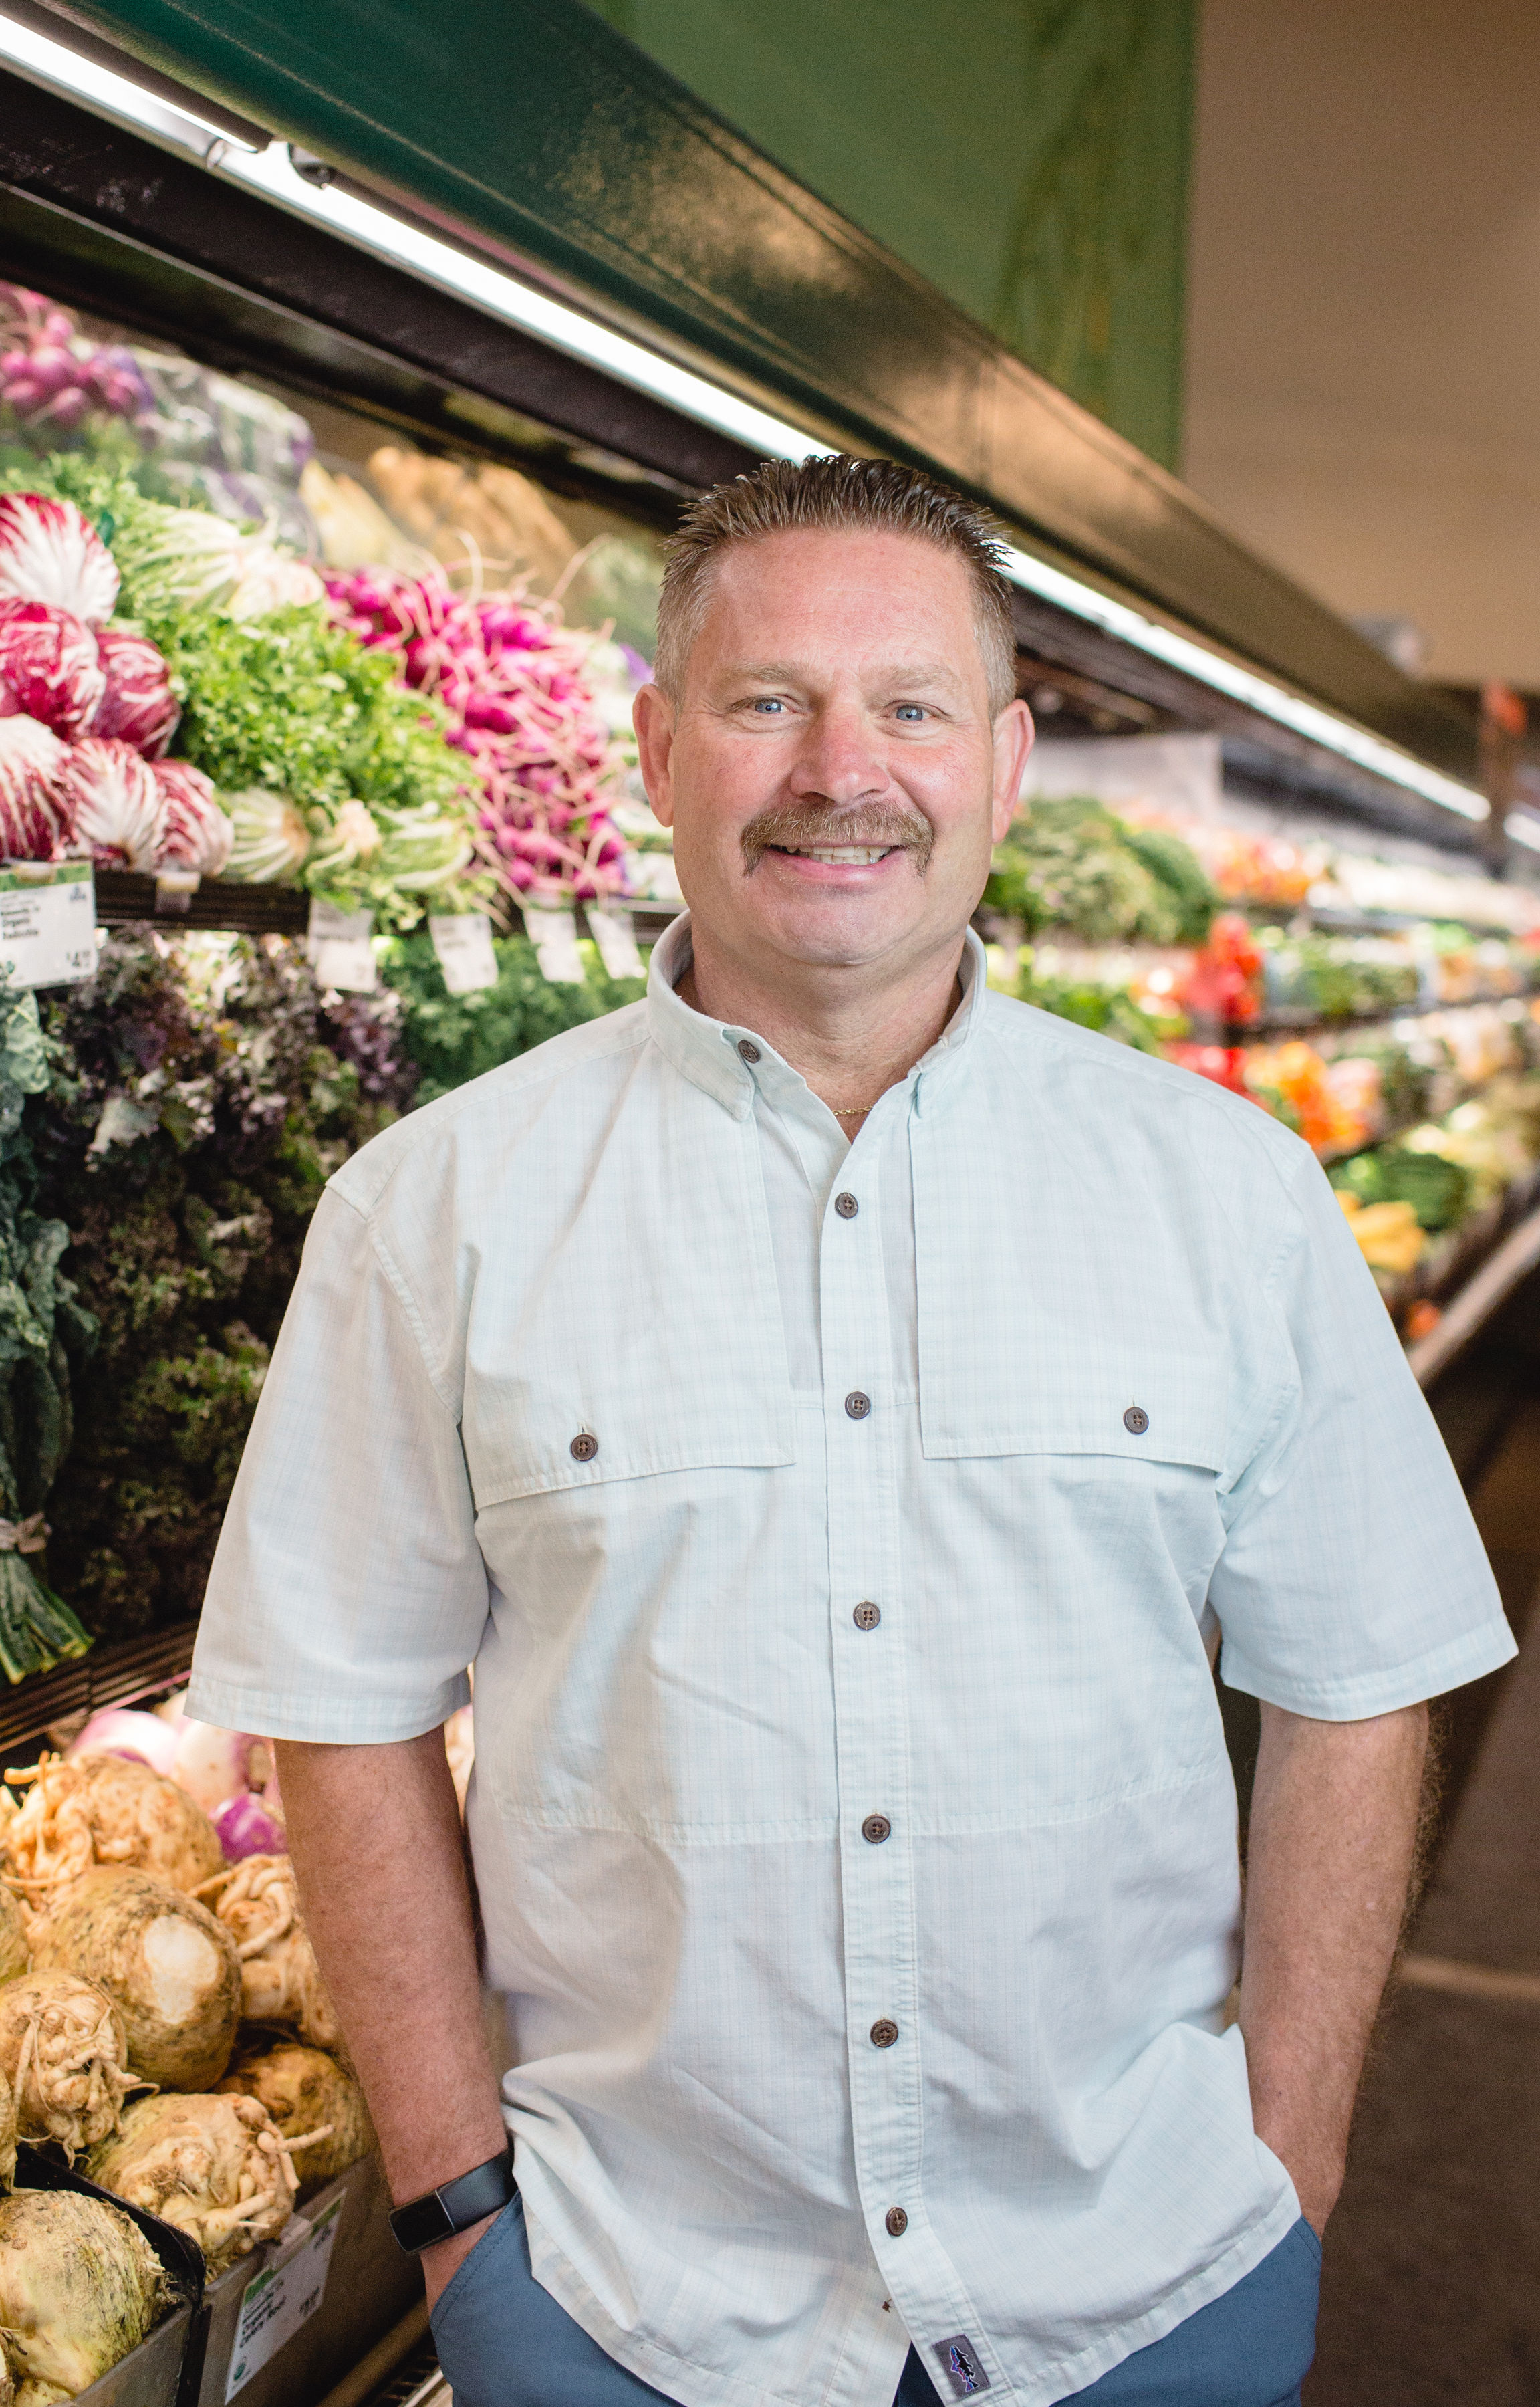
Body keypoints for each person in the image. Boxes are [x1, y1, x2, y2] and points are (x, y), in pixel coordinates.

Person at [189, 455, 1512, 2407]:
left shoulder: (1226, 1191)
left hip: (1148, 2287)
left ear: (1006, 756)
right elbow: (342, 1705)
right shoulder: (435, 1204)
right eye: (763, 702)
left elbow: (1361, 1680)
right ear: (656, 750)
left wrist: (1287, 2166)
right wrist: (462, 2216)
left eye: (907, 706)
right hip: (628, 2312)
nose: (840, 769)